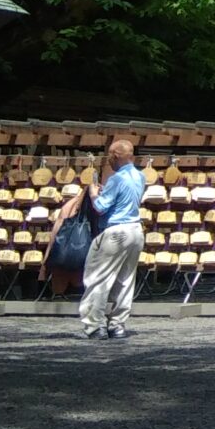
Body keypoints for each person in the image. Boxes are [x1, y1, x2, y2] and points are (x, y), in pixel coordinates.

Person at [80, 138, 147, 340]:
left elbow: (101, 207)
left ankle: (95, 325)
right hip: (136, 230)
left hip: (116, 231)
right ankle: (117, 325)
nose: (108, 158)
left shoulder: (116, 178)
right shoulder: (140, 176)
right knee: (126, 280)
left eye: (110, 154)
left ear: (116, 156)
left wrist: (93, 194)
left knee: (99, 277)